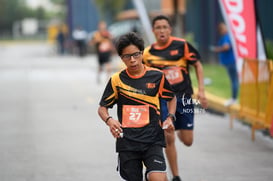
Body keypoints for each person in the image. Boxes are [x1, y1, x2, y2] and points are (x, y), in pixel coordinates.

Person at [98, 32, 177, 181]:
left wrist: (170, 118)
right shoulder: (116, 80)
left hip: (152, 139)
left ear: (142, 53)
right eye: (127, 56)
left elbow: (171, 98)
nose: (132, 60)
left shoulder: (157, 76)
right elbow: (102, 108)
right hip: (127, 143)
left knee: (157, 178)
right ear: (121, 58)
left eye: (136, 54)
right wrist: (110, 121)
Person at [143, 15, 208, 181]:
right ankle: (176, 176)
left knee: (188, 141)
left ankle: (179, 127)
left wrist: (202, 91)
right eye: (158, 27)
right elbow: (144, 78)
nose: (162, 30)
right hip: (163, 100)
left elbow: (198, 65)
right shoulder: (148, 54)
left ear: (170, 29)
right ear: (153, 31)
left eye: (165, 27)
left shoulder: (182, 45)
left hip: (186, 97)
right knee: (168, 137)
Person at [210, 22, 239, 106]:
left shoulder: (226, 37)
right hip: (230, 62)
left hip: (231, 62)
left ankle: (234, 99)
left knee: (234, 80)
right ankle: (234, 98)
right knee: (233, 80)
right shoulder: (227, 37)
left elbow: (226, 47)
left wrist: (217, 49)